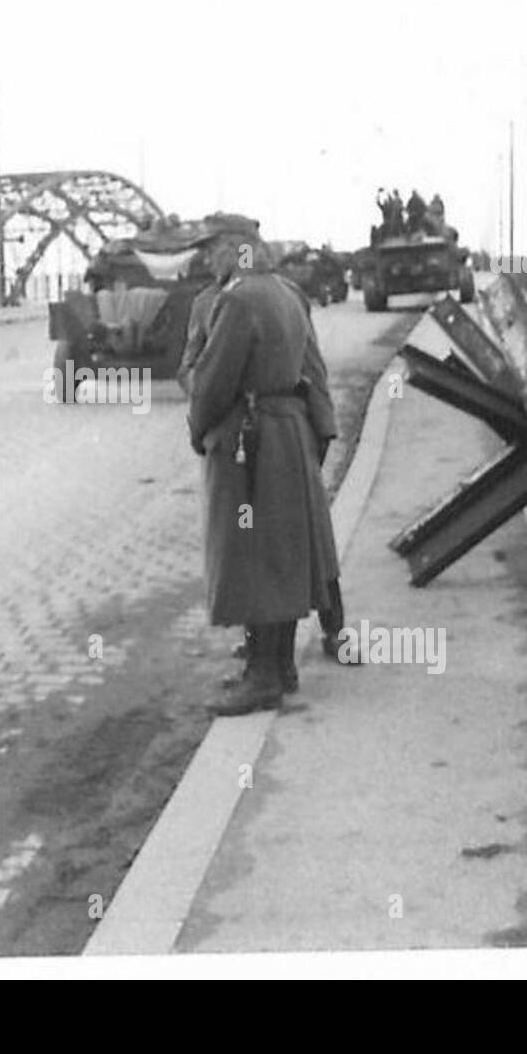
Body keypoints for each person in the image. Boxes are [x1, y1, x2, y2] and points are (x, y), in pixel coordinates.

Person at [186, 229, 343, 716]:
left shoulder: (238, 303)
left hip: (250, 443)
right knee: (282, 555)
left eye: (214, 248)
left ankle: (262, 677)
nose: (208, 258)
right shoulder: (286, 293)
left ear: (238, 251)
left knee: (251, 556)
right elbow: (313, 370)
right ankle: (280, 668)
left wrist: (199, 430)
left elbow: (212, 384)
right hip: (287, 434)